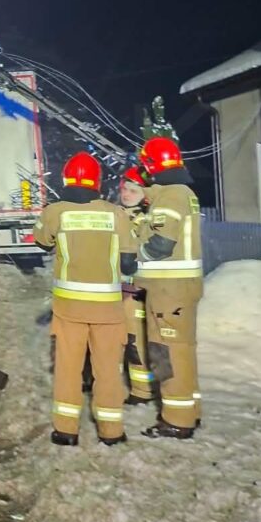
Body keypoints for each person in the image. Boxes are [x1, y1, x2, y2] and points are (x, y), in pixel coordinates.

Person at [34, 152, 137, 446]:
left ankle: (66, 430)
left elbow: (42, 243)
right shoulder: (115, 213)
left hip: (69, 309)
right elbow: (129, 263)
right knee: (108, 370)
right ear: (98, 181)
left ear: (66, 179)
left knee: (68, 367)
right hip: (108, 309)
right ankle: (111, 431)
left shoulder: (55, 212)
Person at [135, 137, 204, 439]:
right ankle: (189, 411)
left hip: (168, 291)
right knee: (182, 352)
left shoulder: (171, 196)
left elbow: (161, 245)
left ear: (151, 164)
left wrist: (129, 258)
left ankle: (176, 420)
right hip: (177, 289)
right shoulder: (181, 192)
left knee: (167, 353)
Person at [119, 166, 155, 404]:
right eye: (124, 188)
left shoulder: (146, 222)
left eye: (133, 190)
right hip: (115, 293)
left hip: (135, 294)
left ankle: (143, 391)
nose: (127, 194)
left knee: (136, 344)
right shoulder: (117, 215)